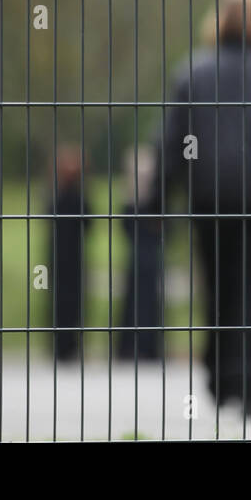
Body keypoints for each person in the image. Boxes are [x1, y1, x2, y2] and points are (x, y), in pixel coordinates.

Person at [133, 0, 251, 416]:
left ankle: (220, 378)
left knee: (218, 289)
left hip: (210, 201)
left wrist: (157, 203)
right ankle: (250, 383)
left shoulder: (193, 73)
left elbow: (172, 145)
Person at [116, 145, 164, 361]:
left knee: (150, 304)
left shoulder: (156, 201)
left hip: (151, 259)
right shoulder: (130, 200)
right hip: (137, 260)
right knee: (133, 304)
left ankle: (149, 347)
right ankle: (130, 347)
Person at [48, 145, 87, 362]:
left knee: (65, 303)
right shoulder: (75, 197)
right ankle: (67, 346)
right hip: (71, 257)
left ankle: (65, 346)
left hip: (64, 256)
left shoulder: (59, 196)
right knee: (68, 302)